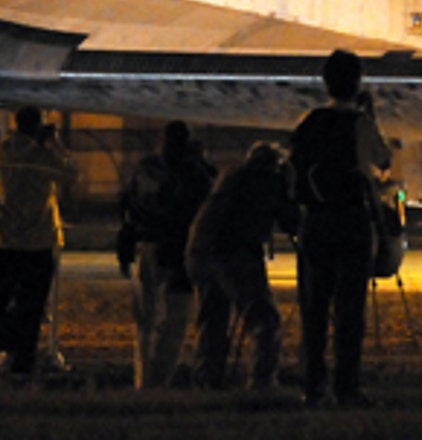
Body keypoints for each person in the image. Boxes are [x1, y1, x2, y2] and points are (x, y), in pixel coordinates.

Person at [289, 49, 392, 408]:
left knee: (314, 309)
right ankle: (345, 387)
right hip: (352, 223)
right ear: (358, 82)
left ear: (325, 82)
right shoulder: (361, 124)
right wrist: (371, 116)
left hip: (315, 222)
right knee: (350, 311)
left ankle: (312, 386)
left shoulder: (309, 122)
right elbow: (383, 160)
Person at [0, 106, 77, 374]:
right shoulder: (42, 155)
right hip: (36, 243)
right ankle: (21, 362)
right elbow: (70, 175)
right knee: (30, 307)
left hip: (2, 241)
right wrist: (55, 143)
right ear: (38, 127)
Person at [186, 141, 300, 392]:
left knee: (212, 319)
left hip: (200, 251)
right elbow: (291, 221)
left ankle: (207, 379)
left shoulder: (231, 178)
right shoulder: (269, 182)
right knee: (265, 320)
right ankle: (262, 381)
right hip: (235, 253)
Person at [118, 120, 215, 389]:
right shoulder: (193, 173)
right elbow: (205, 206)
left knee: (145, 321)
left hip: (145, 245)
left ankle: (144, 379)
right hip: (176, 250)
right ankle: (159, 379)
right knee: (174, 321)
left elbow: (128, 207)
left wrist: (125, 246)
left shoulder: (145, 169)